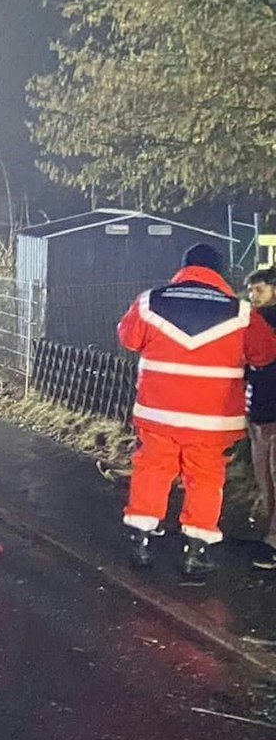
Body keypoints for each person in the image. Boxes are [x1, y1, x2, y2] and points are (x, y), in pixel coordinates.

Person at [118, 243, 276, 582]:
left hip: (159, 413)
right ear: (218, 273)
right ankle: (195, 554)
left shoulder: (150, 301)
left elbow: (128, 339)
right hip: (212, 419)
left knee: (153, 470)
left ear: (185, 268)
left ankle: (142, 542)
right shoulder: (241, 312)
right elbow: (264, 354)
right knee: (205, 480)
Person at [248, 269, 276, 570]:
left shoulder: (264, 322)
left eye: (259, 290)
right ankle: (270, 536)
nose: (253, 297)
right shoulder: (254, 322)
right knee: (266, 482)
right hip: (259, 412)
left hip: (270, 410)